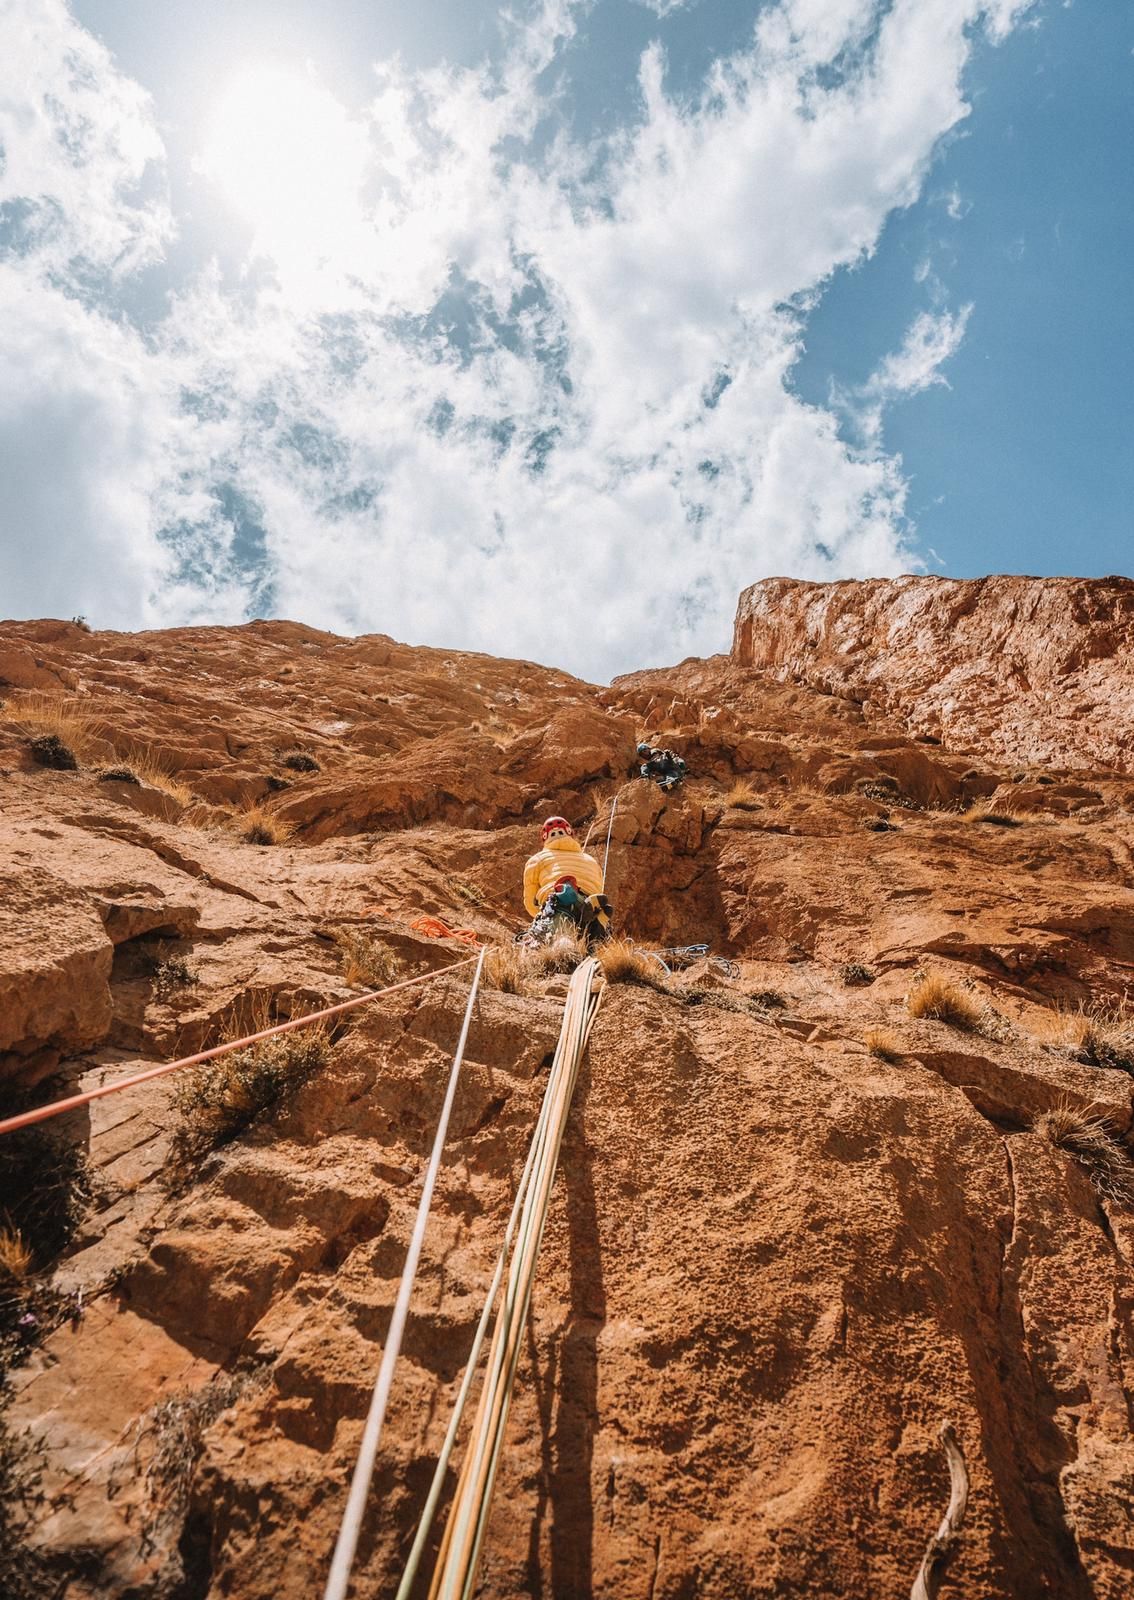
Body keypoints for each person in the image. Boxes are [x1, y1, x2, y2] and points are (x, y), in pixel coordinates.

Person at [522, 816, 613, 947]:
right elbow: (598, 888)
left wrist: (539, 914)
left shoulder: (537, 859)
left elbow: (531, 900)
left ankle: (568, 942)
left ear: (545, 838)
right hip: (589, 898)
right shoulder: (590, 860)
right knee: (591, 947)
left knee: (562, 941)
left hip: (559, 901)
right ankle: (592, 922)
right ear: (570, 834)